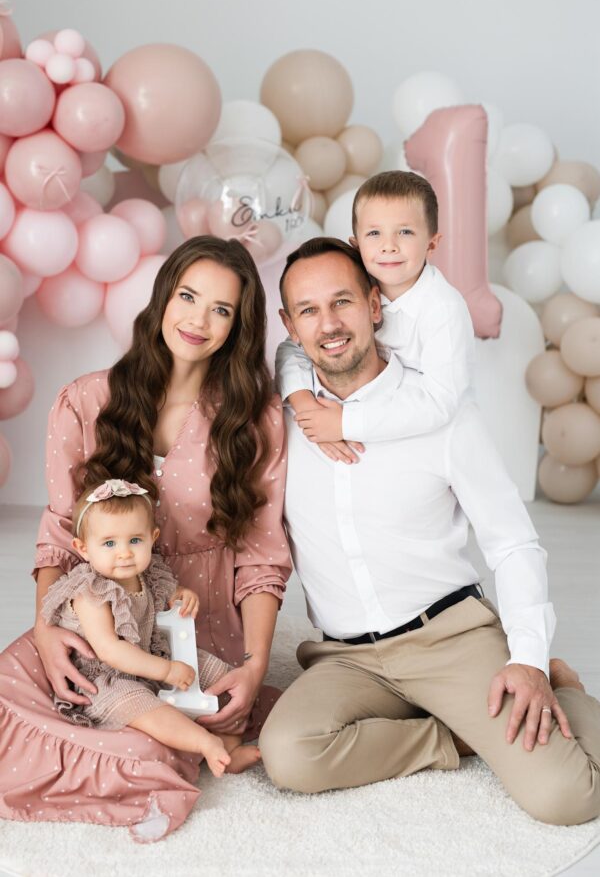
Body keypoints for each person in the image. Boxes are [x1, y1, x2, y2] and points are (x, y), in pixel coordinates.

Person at [259, 237, 600, 826]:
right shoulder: (281, 418)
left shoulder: (439, 413)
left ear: (374, 305)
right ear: (290, 326)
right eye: (308, 310)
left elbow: (513, 541)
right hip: (347, 659)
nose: (329, 324)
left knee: (566, 798)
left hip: (446, 640)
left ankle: (559, 685)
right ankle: (455, 736)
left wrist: (526, 659)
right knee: (289, 754)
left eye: (342, 301)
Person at [0, 236, 291, 839]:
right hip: (96, 617)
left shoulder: (254, 419)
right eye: (188, 296)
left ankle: (177, 751)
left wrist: (257, 662)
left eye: (221, 309)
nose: (198, 320)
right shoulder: (85, 401)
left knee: (151, 741)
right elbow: (60, 534)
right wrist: (48, 632)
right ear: (163, 298)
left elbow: (262, 555)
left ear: (238, 326)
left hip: (193, 625)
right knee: (15, 696)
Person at [42, 479, 262, 776]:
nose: (124, 553)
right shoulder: (90, 591)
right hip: (105, 679)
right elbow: (110, 650)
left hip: (151, 655)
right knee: (141, 706)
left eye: (135, 540)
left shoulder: (150, 573)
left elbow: (168, 594)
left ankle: (229, 746)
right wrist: (166, 671)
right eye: (109, 543)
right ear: (83, 548)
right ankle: (204, 742)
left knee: (217, 673)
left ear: (152, 537)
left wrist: (182, 596)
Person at [276, 170, 475, 464]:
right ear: (357, 245)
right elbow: (293, 346)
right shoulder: (356, 290)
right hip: (371, 405)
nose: (388, 246)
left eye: (405, 232)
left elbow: (440, 402)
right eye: (374, 233)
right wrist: (305, 404)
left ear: (432, 244)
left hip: (432, 427)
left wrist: (344, 423)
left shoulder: (443, 309)